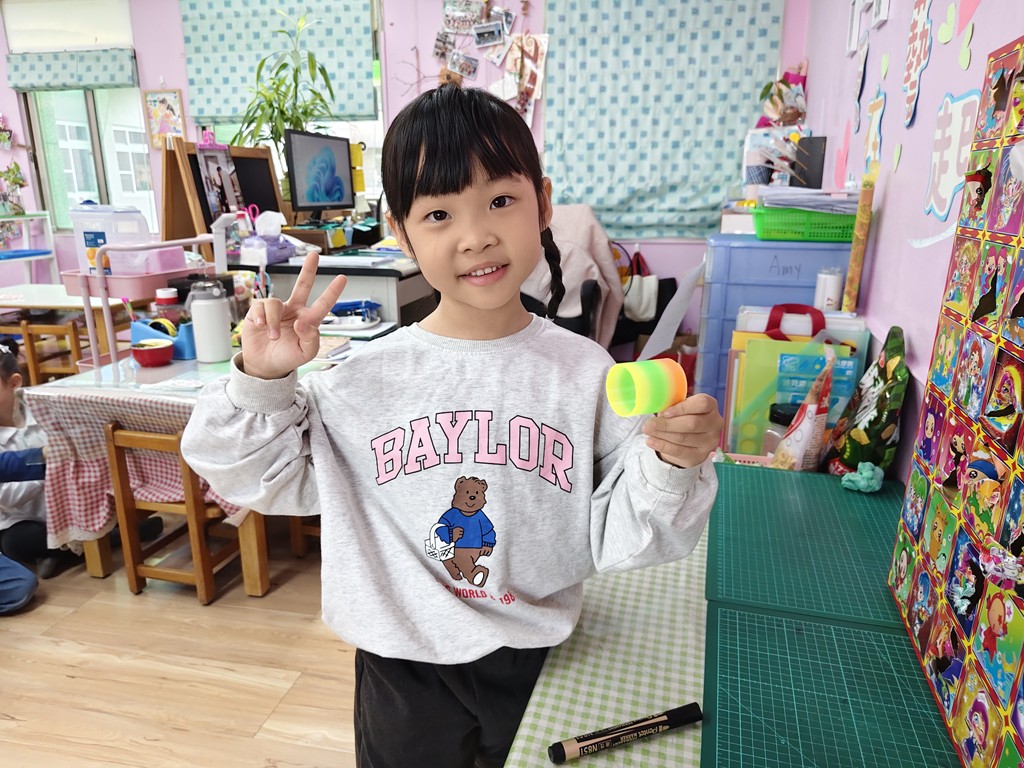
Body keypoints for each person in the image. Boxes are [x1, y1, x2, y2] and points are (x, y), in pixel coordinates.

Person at [181, 83, 723, 768]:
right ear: (402, 232)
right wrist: (263, 380)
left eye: (501, 201)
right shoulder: (359, 380)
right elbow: (253, 475)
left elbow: (626, 533)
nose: (476, 236)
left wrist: (671, 463)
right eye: (439, 214)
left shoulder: (586, 374)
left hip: (535, 658)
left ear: (542, 204)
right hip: (401, 668)